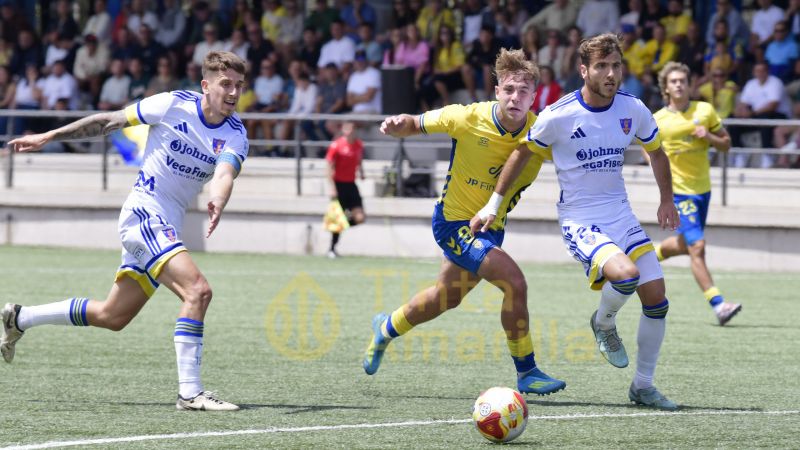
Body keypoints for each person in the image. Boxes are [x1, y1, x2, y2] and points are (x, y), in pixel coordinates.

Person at [2, 51, 249, 411]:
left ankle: (20, 317)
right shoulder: (172, 104)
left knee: (112, 316)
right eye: (226, 84)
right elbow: (109, 122)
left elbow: (225, 172)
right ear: (206, 85)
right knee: (198, 291)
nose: (233, 92)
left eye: (239, 86)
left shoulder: (236, 133)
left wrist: (219, 198)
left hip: (164, 225)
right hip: (144, 214)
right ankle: (190, 393)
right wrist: (49, 135)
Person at [473, 34, 680, 409]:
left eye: (616, 65)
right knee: (627, 275)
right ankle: (603, 323)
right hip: (581, 219)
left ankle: (643, 386)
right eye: (602, 66)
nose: (611, 74)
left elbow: (657, 153)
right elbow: (521, 154)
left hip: (620, 214)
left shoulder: (633, 109)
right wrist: (493, 204)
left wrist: (667, 200)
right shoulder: (560, 113)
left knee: (657, 298)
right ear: (584, 70)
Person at [362, 48, 566, 397]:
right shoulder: (467, 117)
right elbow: (417, 122)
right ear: (497, 90)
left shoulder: (542, 132)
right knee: (514, 283)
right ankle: (527, 370)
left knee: (444, 298)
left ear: (535, 96)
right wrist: (398, 126)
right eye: (509, 89)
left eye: (524, 91)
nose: (515, 98)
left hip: (490, 229)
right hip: (454, 222)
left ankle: (386, 328)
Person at [651, 62, 741, 326]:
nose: (679, 84)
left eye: (683, 80)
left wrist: (709, 137)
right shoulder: (659, 120)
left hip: (703, 190)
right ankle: (719, 304)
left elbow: (726, 146)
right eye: (673, 81)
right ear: (666, 88)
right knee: (697, 247)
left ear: (689, 84)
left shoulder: (705, 110)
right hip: (679, 193)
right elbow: (647, 147)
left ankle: (644, 257)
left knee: (686, 243)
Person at [325, 121, 365, 258]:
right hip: (339, 185)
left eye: (352, 129)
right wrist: (332, 187)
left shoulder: (359, 144)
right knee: (337, 220)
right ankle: (331, 248)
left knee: (360, 217)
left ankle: (344, 223)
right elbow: (329, 166)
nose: (349, 131)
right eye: (347, 129)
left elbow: (359, 160)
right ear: (343, 130)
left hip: (351, 184)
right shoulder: (336, 145)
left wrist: (362, 172)